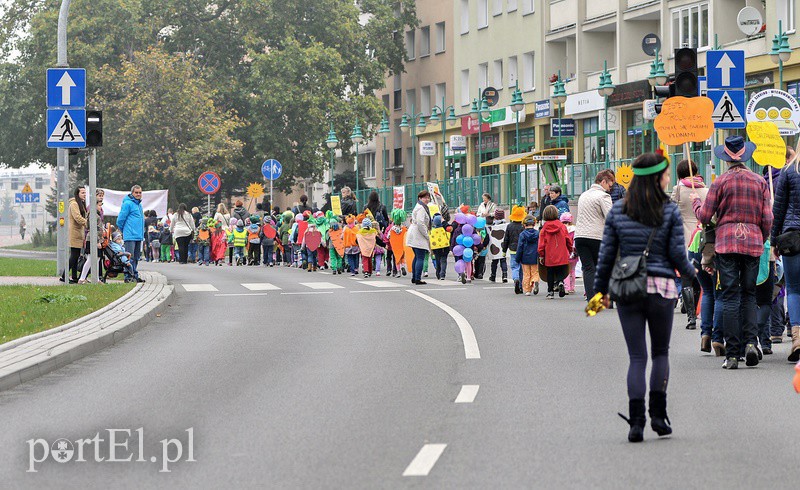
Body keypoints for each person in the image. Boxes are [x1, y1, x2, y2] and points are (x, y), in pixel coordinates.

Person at [594, 152, 695, 443]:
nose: (667, 178)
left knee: (637, 357)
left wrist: (599, 295)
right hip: (662, 287)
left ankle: (636, 423)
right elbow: (678, 255)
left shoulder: (617, 210)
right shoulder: (669, 210)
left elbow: (606, 258)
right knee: (660, 353)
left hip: (628, 289)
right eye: (665, 174)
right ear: (658, 177)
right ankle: (659, 417)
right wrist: (693, 274)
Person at [693, 136, 772, 370]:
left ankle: (733, 354)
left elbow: (705, 217)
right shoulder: (760, 181)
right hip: (753, 244)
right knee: (749, 295)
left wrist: (696, 204)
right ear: (746, 155)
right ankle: (751, 343)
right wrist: (762, 237)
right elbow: (767, 218)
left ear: (726, 158)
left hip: (726, 244)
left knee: (729, 296)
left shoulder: (720, 182)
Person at [671, 159, 709, 333]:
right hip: (702, 236)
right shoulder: (707, 189)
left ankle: (691, 316)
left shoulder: (678, 190)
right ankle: (698, 309)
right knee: (700, 274)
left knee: (686, 275)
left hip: (684, 236)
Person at [772, 146, 800, 363]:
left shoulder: (789, 171)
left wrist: (774, 241)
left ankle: (797, 340)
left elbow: (778, 210)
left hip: (792, 237)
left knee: (794, 289)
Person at [574, 170, 614, 301]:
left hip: (580, 236)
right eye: (609, 185)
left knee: (588, 268)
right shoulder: (603, 196)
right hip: (596, 236)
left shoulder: (583, 195)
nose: (610, 188)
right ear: (603, 181)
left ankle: (592, 298)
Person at [538, 205, 573, 299]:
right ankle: (561, 282)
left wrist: (541, 255)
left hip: (549, 255)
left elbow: (541, 244)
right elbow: (568, 239)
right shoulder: (562, 226)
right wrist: (570, 249)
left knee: (550, 273)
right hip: (561, 253)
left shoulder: (544, 229)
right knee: (561, 270)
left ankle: (550, 292)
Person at [116, 185, 145, 282]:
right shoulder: (127, 204)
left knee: (136, 257)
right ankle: (128, 276)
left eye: (140, 192)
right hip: (130, 235)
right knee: (129, 257)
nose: (138, 194)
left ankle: (134, 274)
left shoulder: (139, 205)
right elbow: (120, 219)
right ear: (132, 193)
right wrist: (124, 230)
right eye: (136, 192)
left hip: (138, 235)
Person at [78, 189, 105, 284]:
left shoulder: (97, 213)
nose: (100, 208)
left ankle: (96, 279)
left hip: (96, 238)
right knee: (90, 259)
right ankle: (82, 278)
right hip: (92, 239)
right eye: (99, 205)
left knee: (97, 259)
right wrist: (98, 241)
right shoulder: (93, 213)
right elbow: (93, 228)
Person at [406, 190, 432, 285]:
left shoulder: (419, 206)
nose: (427, 199)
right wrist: (426, 234)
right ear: (420, 198)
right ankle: (417, 278)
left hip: (414, 233)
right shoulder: (421, 208)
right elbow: (421, 223)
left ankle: (414, 277)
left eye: (428, 197)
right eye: (424, 197)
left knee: (417, 257)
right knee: (420, 257)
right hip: (418, 234)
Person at [503, 206, 526, 294]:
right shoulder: (523, 226)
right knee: (521, 268)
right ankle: (520, 286)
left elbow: (506, 239)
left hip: (512, 250)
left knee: (515, 267)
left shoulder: (509, 226)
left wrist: (504, 251)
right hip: (522, 250)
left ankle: (515, 279)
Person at [516, 215, 540, 296]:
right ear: (534, 224)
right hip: (535, 256)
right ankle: (535, 281)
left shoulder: (522, 234)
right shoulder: (537, 234)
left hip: (525, 257)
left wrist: (517, 258)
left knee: (526, 274)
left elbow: (520, 247)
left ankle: (527, 290)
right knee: (535, 272)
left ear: (524, 225)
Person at [488, 209, 508, 283]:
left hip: (495, 246)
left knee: (494, 262)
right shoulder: (506, 224)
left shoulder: (493, 225)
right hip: (503, 246)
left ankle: (493, 276)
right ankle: (505, 275)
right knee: (503, 261)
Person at [560, 212, 578, 294]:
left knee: (566, 272)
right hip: (573, 253)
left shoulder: (561, 229)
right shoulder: (575, 229)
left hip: (565, 253)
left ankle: (566, 287)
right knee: (572, 271)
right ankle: (572, 287)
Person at [430, 214, 451, 280]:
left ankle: (438, 272)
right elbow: (449, 236)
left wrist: (431, 249)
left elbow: (430, 240)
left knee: (437, 260)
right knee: (444, 260)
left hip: (436, 248)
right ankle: (442, 274)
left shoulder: (432, 231)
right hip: (445, 246)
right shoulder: (445, 229)